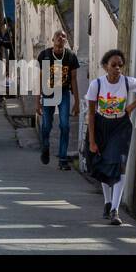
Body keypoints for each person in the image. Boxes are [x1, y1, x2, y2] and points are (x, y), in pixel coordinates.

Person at [85, 48, 136, 226]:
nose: (117, 69)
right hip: (101, 124)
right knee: (102, 163)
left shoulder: (127, 82)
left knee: (120, 165)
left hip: (121, 126)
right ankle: (107, 202)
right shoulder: (97, 85)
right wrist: (92, 141)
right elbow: (92, 114)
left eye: (120, 66)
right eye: (113, 65)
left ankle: (115, 210)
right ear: (105, 66)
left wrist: (131, 106)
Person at [37, 29, 80, 169]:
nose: (60, 38)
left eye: (63, 36)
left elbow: (73, 79)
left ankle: (62, 159)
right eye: (58, 36)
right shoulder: (45, 55)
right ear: (52, 39)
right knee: (46, 125)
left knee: (65, 125)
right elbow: (40, 79)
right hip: (48, 92)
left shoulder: (71, 57)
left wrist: (77, 102)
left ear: (66, 41)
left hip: (63, 92)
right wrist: (37, 101)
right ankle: (45, 145)